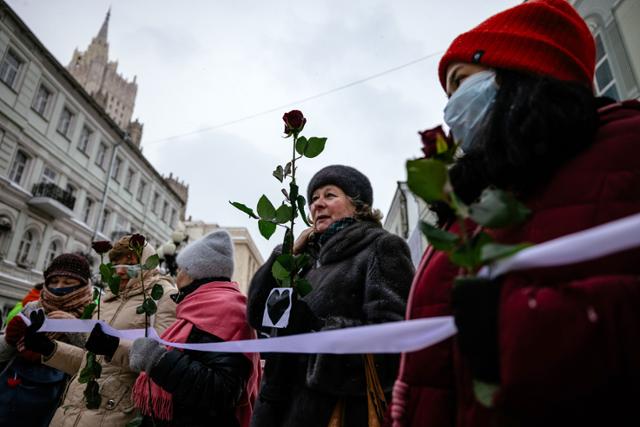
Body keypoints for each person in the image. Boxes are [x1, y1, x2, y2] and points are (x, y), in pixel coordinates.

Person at [391, 1, 640, 426]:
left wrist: (517, 327)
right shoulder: (482, 192)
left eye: (462, 83)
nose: (452, 110)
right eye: (448, 97)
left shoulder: (626, 152)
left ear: (523, 73)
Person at [247, 165, 415, 427]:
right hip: (280, 409)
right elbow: (258, 315)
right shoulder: (307, 261)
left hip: (336, 413)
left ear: (358, 206)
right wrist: (286, 255)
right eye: (313, 199)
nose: (318, 205)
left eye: (330, 195)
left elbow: (394, 342)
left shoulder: (381, 248)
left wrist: (317, 331)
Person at [23, 235, 177, 427]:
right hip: (71, 411)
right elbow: (92, 363)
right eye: (115, 264)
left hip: (118, 414)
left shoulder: (164, 295)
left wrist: (114, 346)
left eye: (130, 263)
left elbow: (164, 360)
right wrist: (50, 349)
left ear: (146, 261)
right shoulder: (106, 299)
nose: (120, 271)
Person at [126, 230, 261, 427]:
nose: (177, 276)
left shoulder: (226, 310)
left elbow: (223, 391)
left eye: (180, 269)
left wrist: (158, 360)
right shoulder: (198, 308)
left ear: (192, 273)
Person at [0, 254, 93, 427]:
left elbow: (94, 364)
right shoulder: (33, 307)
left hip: (61, 403)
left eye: (67, 282)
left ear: (83, 284)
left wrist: (73, 329)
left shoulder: (93, 313)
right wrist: (9, 339)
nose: (59, 287)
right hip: (14, 394)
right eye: (54, 281)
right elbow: (3, 355)